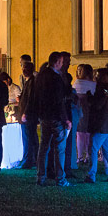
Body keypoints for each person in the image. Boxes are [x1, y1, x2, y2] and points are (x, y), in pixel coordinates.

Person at [36, 52, 72, 187]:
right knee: (59, 148)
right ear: (57, 62)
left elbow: (37, 96)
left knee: (43, 146)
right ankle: (60, 178)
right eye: (62, 62)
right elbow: (59, 101)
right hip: (56, 117)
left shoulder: (41, 76)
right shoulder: (56, 79)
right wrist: (66, 119)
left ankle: (41, 176)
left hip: (44, 116)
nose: (63, 64)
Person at [84, 67, 108, 183]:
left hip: (100, 124)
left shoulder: (102, 89)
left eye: (98, 75)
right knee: (107, 150)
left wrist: (89, 97)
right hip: (107, 124)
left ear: (104, 77)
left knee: (93, 149)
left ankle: (91, 175)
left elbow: (97, 105)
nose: (96, 78)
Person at [72, 64, 95, 165]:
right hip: (80, 110)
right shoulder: (77, 82)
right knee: (80, 133)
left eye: (81, 70)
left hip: (89, 110)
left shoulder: (93, 83)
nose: (79, 72)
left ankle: (88, 155)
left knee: (88, 134)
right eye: (78, 70)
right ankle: (80, 156)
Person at [18, 61, 38, 168]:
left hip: (28, 115)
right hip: (29, 114)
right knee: (31, 137)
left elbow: (31, 99)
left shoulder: (31, 82)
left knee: (28, 138)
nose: (23, 70)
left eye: (26, 68)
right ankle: (32, 159)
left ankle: (28, 161)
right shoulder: (28, 81)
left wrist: (25, 112)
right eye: (23, 68)